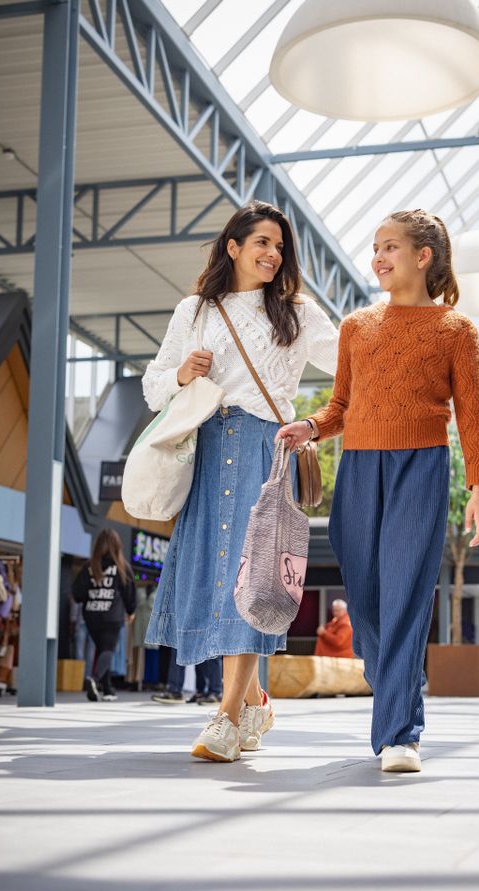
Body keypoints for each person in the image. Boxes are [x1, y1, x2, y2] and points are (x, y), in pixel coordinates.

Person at [277, 209, 479, 774]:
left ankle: (400, 734)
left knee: (406, 592)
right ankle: (396, 676)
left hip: (421, 466)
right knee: (366, 595)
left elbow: (472, 415)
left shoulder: (456, 330)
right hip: (357, 468)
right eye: (375, 246)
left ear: (423, 257)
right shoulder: (356, 327)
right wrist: (312, 427)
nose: (378, 256)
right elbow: (342, 405)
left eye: (390, 246)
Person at [142, 201, 338, 761]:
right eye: (262, 243)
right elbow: (156, 383)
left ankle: (227, 716)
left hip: (265, 449)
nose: (273, 255)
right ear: (233, 247)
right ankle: (255, 705)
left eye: (280, 246)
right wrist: (182, 374)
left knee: (248, 575)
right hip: (208, 447)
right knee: (218, 574)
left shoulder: (296, 311)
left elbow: (350, 358)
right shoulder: (195, 311)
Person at [72, 528, 136, 702]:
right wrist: (131, 611)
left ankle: (107, 690)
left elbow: (77, 594)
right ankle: (94, 678)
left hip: (91, 616)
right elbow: (130, 593)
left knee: (102, 649)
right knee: (108, 649)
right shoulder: (122, 567)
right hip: (112, 616)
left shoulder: (88, 567)